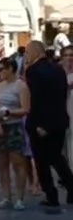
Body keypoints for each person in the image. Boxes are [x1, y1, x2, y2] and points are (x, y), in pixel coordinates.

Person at [23, 39, 73, 210]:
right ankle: (71, 188)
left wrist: (39, 124)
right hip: (59, 120)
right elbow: (61, 96)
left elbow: (37, 99)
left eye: (28, 52)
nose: (26, 56)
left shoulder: (33, 71)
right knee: (57, 157)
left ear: (35, 52)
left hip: (41, 122)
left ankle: (51, 195)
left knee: (42, 161)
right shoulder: (58, 69)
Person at [0, 57, 31, 210]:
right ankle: (6, 197)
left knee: (18, 162)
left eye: (1, 69)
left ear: (10, 69)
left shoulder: (21, 86)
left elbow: (26, 109)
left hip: (14, 125)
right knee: (2, 163)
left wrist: (8, 112)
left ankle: (20, 197)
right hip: (0, 126)